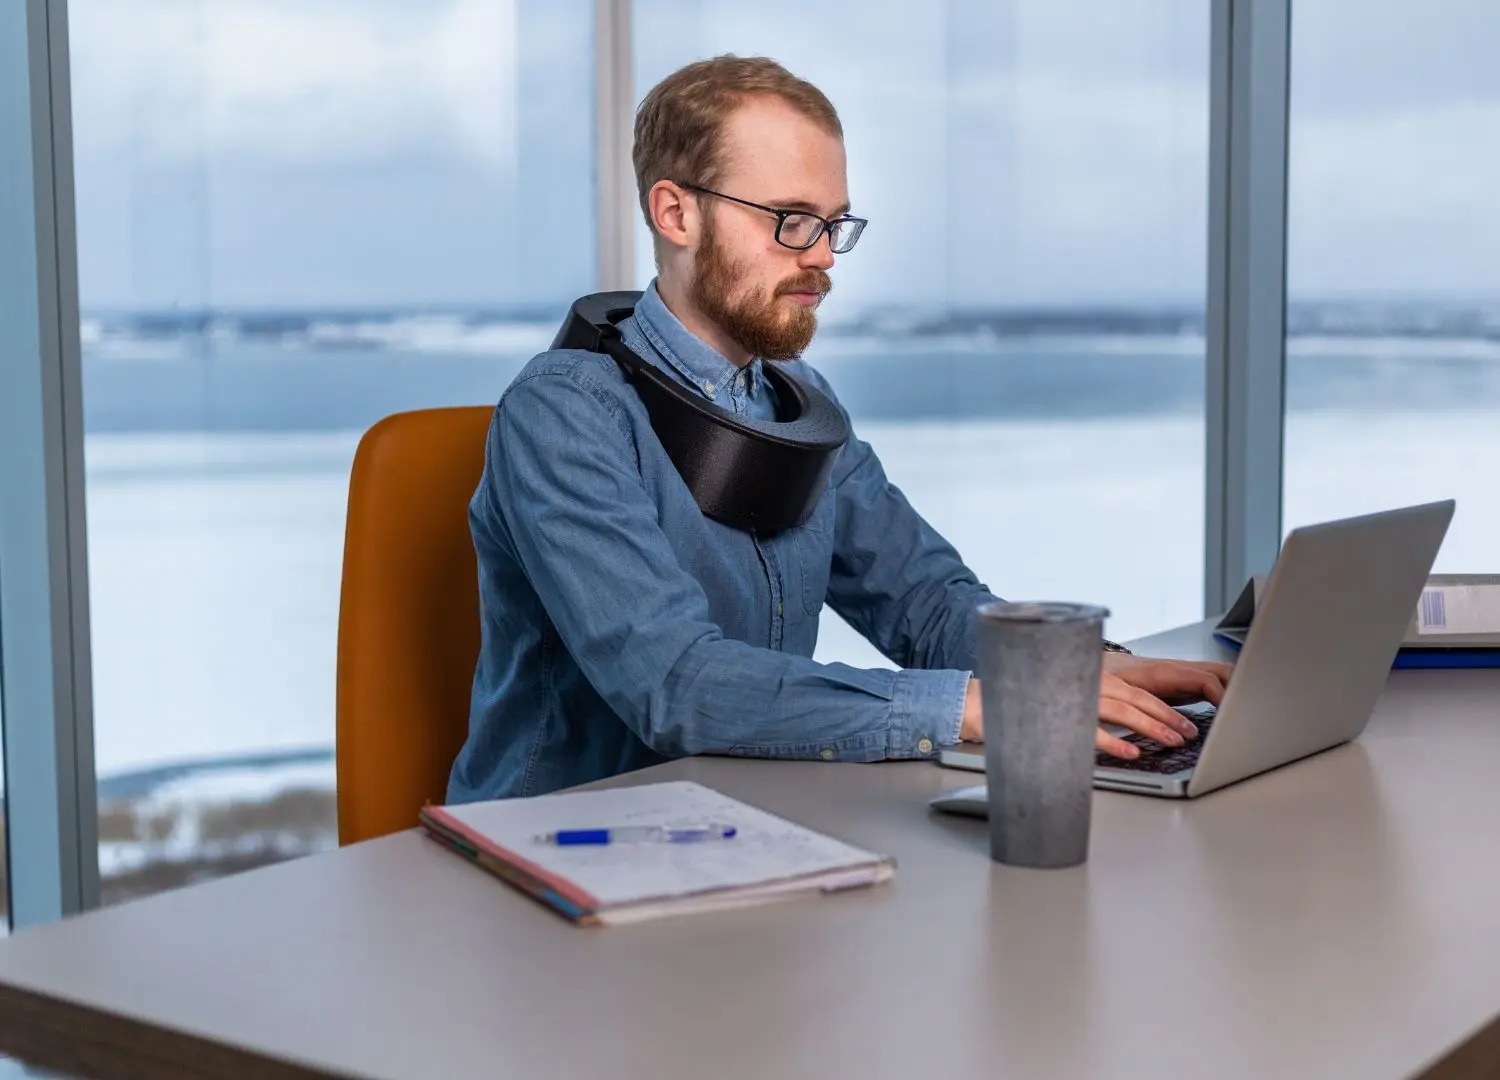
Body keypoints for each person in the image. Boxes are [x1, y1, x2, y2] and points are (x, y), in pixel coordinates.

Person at [447, 55, 1232, 803]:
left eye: (833, 224)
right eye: (791, 220)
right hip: (556, 845)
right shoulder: (563, 414)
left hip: (738, 823)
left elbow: (923, 603)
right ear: (675, 212)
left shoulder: (797, 403)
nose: (824, 257)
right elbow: (677, 685)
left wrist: (1078, 671)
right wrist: (972, 707)